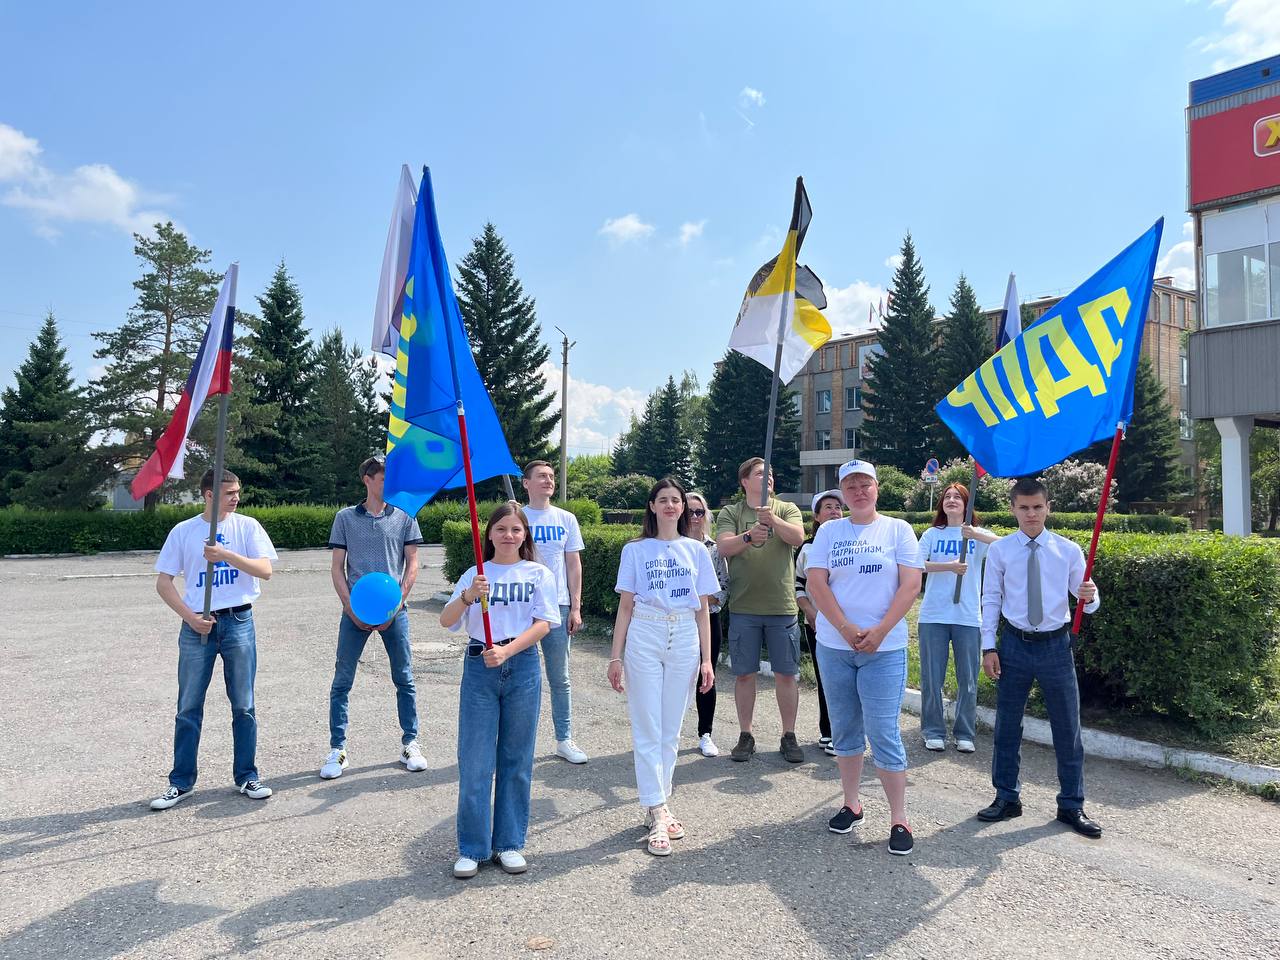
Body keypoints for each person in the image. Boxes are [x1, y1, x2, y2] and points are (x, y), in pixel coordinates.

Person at [805, 459, 924, 856]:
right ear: (842, 492)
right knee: (844, 729)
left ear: (877, 488)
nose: (858, 492)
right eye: (850, 486)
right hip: (835, 646)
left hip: (883, 650)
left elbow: (910, 585)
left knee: (884, 732)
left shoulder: (897, 529)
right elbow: (817, 583)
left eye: (865, 484)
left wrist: (881, 630)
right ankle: (852, 804)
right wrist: (843, 628)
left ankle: (899, 818)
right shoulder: (829, 531)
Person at [976, 477, 1103, 838]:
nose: (1031, 514)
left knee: (1067, 728)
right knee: (1007, 725)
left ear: (1048, 508)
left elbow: (1088, 604)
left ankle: (1071, 804)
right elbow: (991, 599)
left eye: (1037, 507)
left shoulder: (1068, 550)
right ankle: (1006, 797)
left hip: (1055, 646)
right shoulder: (1000, 551)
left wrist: (1090, 595)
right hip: (1014, 645)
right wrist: (988, 647)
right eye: (1023, 507)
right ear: (1013, 509)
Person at [440, 504, 560, 878]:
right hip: (480, 668)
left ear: (525, 535)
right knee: (475, 760)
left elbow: (544, 624)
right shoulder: (475, 574)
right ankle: (472, 848)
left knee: (516, 758)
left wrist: (508, 651)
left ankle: (509, 843)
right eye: (501, 529)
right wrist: (467, 596)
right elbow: (446, 620)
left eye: (516, 529)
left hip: (521, 665)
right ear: (489, 534)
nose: (509, 535)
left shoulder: (538, 573)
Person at [150, 469, 278, 810]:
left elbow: (265, 570)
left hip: (239, 620)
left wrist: (226, 555)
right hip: (197, 625)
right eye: (229, 493)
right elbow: (163, 583)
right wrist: (191, 618)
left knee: (244, 704)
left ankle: (247, 776)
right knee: (188, 706)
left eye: (237, 491)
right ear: (209, 495)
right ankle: (181, 782)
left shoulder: (247, 527)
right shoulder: (184, 531)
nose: (236, 497)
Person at [608, 478, 718, 856]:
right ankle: (657, 811)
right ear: (652, 506)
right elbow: (625, 607)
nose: (671, 505)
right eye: (663, 500)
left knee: (671, 729)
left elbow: (703, 610)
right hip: (645, 634)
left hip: (685, 637)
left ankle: (659, 801)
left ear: (683, 507)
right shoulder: (635, 550)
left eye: (677, 500)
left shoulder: (697, 550)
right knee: (647, 727)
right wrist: (616, 656)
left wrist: (706, 659)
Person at [320, 456, 427, 780]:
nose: (389, 484)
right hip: (355, 610)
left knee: (404, 678)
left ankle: (410, 743)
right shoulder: (345, 518)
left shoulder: (406, 516)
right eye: (383, 478)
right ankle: (337, 749)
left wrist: (398, 603)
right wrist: (349, 606)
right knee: (342, 681)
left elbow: (413, 564)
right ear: (367, 479)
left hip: (395, 611)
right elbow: (337, 567)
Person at [714, 457, 808, 764]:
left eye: (770, 473)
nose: (767, 477)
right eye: (759, 473)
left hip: (782, 607)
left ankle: (789, 734)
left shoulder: (786, 508)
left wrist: (773, 521)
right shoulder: (732, 512)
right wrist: (748, 535)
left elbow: (798, 537)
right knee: (745, 675)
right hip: (744, 607)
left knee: (787, 674)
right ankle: (746, 734)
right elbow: (723, 547)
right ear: (744, 481)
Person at [516, 460, 588, 765]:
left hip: (557, 606)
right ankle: (518, 744)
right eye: (541, 476)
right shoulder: (517, 516)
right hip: (522, 607)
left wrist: (576, 606)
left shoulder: (566, 518)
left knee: (560, 678)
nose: (548, 480)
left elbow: (573, 564)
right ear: (526, 483)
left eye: (551, 476)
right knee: (522, 677)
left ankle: (564, 739)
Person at [917, 483, 998, 753]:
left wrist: (975, 534)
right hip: (934, 615)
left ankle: (964, 733)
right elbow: (916, 564)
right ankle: (933, 731)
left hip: (968, 616)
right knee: (932, 677)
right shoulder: (932, 534)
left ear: (966, 504)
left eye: (957, 497)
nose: (951, 500)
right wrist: (949, 567)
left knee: (968, 678)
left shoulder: (975, 534)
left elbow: (1006, 546)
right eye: (947, 496)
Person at [795, 489, 842, 757]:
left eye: (837, 507)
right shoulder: (807, 548)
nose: (834, 511)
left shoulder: (851, 544)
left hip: (849, 624)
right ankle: (829, 731)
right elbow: (798, 585)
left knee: (847, 681)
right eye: (828, 507)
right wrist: (810, 612)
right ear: (816, 516)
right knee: (826, 678)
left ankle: (845, 732)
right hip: (817, 624)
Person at [685, 491, 729, 758]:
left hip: (708, 620)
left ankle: (705, 733)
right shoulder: (671, 545)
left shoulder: (713, 548)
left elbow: (722, 590)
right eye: (689, 511)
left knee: (707, 676)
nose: (694, 516)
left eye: (699, 512)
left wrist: (692, 598)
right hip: (678, 623)